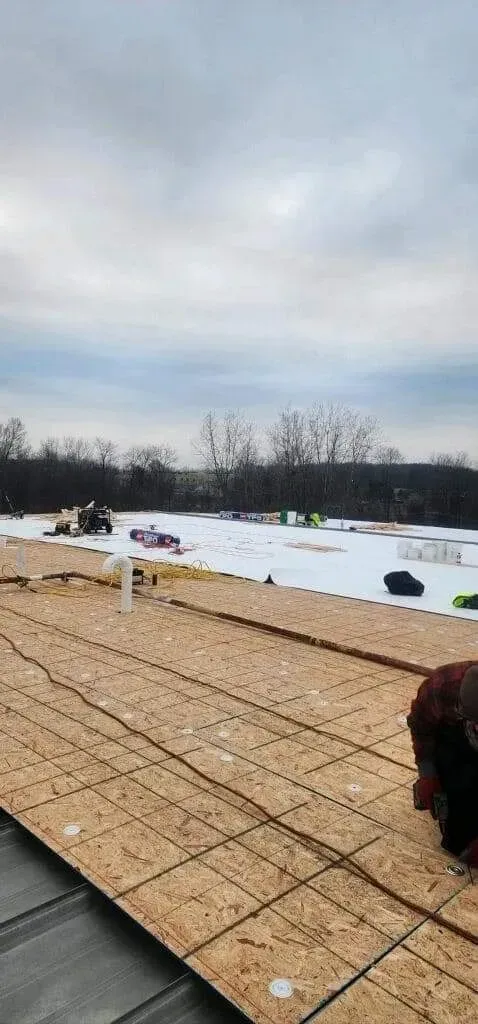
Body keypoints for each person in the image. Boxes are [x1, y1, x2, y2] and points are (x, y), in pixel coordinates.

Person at [407, 661, 478, 866]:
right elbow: (421, 725)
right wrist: (427, 773)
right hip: (456, 738)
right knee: (457, 840)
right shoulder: (442, 686)